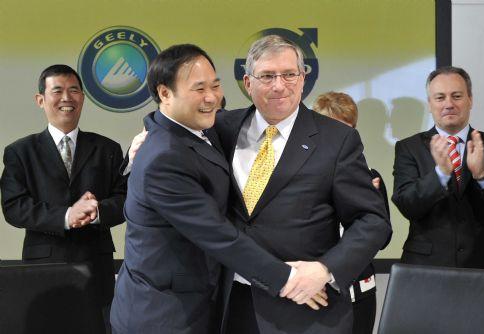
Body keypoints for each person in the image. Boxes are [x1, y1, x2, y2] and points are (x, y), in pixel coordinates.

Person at [110, 44, 327, 334]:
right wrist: (290, 280)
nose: (212, 98)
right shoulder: (163, 157)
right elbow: (217, 236)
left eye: (215, 85)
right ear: (164, 93)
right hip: (161, 315)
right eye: (199, 89)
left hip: (200, 302)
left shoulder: (199, 129)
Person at [214, 35, 391, 334]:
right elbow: (171, 120)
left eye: (289, 74)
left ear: (303, 79)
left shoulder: (337, 139)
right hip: (227, 305)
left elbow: (373, 221)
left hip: (305, 310)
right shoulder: (221, 129)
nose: (279, 85)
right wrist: (148, 135)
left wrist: (325, 270)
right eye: (267, 76)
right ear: (248, 82)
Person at [0, 64, 127, 331]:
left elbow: (125, 199)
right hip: (43, 268)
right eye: (57, 91)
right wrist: (67, 216)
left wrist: (97, 210)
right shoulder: (20, 151)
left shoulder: (108, 149)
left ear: (82, 97)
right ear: (41, 100)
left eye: (74, 91)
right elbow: (14, 206)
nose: (66, 98)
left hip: (97, 266)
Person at [392, 66, 484, 269]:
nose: (448, 104)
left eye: (456, 96)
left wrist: (482, 176)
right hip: (426, 267)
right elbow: (407, 204)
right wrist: (440, 174)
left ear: (470, 100)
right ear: (430, 104)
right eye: (440, 98)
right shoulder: (408, 147)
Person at [313, 91, 392, 334]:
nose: (342, 137)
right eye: (334, 128)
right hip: (315, 292)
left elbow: (383, 239)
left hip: (361, 292)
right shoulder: (299, 178)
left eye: (349, 128)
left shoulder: (370, 176)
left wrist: (367, 205)